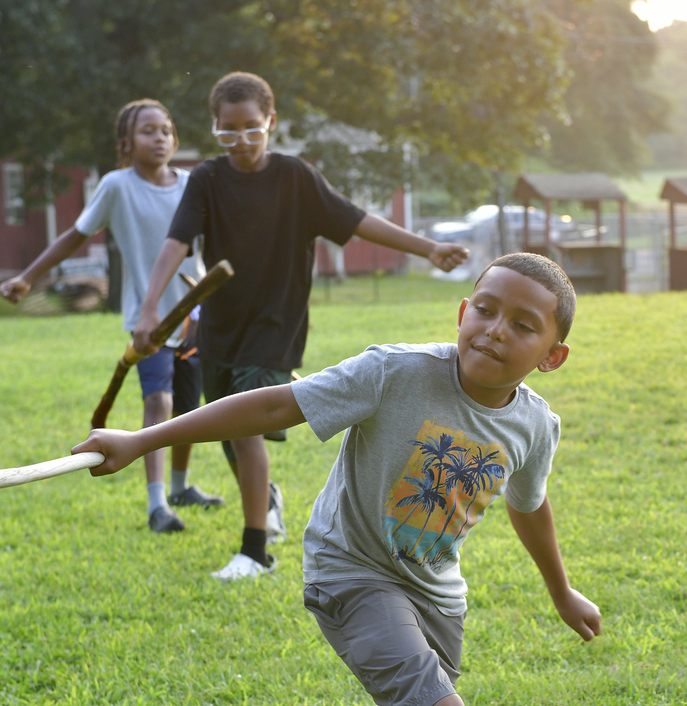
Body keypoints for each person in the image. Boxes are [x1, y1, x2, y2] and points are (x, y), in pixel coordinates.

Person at [74, 253, 601, 706]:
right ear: (461, 312)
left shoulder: (534, 425)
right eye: (484, 308)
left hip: (435, 591)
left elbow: (528, 506)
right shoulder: (395, 372)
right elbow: (272, 406)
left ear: (552, 355)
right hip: (351, 571)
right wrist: (140, 440)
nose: (493, 330)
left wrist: (562, 592)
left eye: (522, 324)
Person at [132, 71, 469, 580]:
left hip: (275, 324)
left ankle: (255, 551)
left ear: (271, 122)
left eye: (252, 128)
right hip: (220, 325)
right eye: (228, 131)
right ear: (215, 127)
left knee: (245, 428)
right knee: (225, 426)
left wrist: (428, 247)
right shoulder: (206, 179)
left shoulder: (296, 178)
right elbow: (176, 242)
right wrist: (149, 306)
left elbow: (356, 221)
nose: (241, 141)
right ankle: (265, 497)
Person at [0, 98, 223, 534]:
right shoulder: (117, 186)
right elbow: (75, 235)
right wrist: (28, 277)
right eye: (147, 131)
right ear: (126, 141)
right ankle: (157, 504)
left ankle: (180, 486)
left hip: (194, 314)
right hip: (148, 319)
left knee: (189, 406)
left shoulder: (192, 184)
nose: (159, 138)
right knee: (159, 401)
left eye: (166, 130)